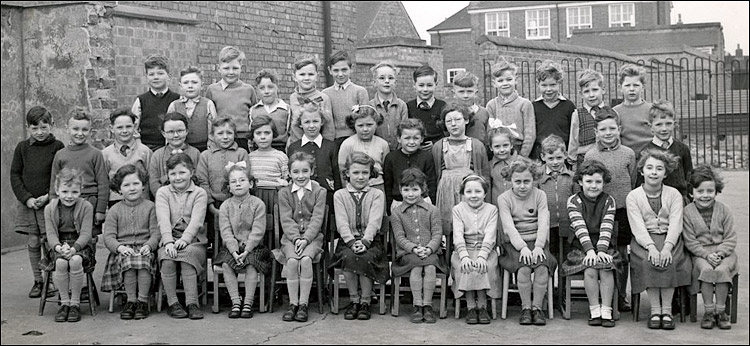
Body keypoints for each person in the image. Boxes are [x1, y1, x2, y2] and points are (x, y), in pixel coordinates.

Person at [626, 149, 692, 330]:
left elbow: (676, 224)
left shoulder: (674, 195)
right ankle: (655, 310)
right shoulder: (633, 196)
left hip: (671, 239)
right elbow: (637, 227)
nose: (654, 172)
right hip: (644, 240)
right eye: (649, 168)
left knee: (669, 261)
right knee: (649, 262)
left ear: (665, 173)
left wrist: (667, 248)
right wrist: (652, 247)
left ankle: (667, 311)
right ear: (641, 171)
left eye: (659, 169)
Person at [584, 108, 637, 311]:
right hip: (599, 210)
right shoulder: (591, 155)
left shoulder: (629, 154)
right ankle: (601, 296)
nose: (608, 133)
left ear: (619, 129)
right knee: (601, 252)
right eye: (603, 129)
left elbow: (631, 179)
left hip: (622, 211)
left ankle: (621, 295)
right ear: (596, 132)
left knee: (622, 255)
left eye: (612, 128)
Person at [10, 106, 65, 298]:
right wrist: (27, 198)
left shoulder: (58, 147)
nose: (39, 133)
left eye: (44, 127)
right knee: (33, 240)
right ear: (28, 128)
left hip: (49, 203)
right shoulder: (22, 148)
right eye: (34, 129)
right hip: (28, 204)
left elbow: (60, 175)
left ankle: (51, 281)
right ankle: (38, 281)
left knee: (49, 241)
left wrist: (49, 196)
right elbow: (15, 174)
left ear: (52, 125)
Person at [328, 152, 389, 321]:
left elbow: (375, 221)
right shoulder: (339, 195)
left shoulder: (377, 194)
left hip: (371, 241)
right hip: (347, 242)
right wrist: (351, 241)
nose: (360, 177)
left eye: (365, 172)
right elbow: (341, 222)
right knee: (348, 258)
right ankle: (354, 299)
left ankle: (366, 301)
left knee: (365, 258)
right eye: (356, 172)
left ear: (371, 174)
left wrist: (365, 241)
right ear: (347, 173)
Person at [497, 156, 557, 326]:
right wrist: (522, 247)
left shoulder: (540, 195)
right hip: (514, 244)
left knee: (542, 267)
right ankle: (525, 308)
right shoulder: (504, 198)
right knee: (523, 268)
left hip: (537, 241)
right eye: (518, 182)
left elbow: (544, 222)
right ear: (510, 181)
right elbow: (508, 227)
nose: (522, 186)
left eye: (526, 181)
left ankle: (537, 308)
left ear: (534, 179)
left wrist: (539, 246)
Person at [562, 160, 621, 327]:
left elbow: (607, 226)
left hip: (604, 244)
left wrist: (601, 250)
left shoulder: (609, 201)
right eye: (588, 181)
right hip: (580, 246)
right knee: (590, 268)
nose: (593, 186)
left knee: (605, 267)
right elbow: (579, 227)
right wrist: (590, 251)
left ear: (604, 182)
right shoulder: (574, 201)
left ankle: (606, 310)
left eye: (598, 182)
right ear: (580, 182)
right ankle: (594, 309)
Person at [50, 109, 109, 274]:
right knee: (68, 242)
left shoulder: (95, 154)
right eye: (75, 129)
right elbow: (54, 183)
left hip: (89, 203)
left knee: (88, 241)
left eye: (84, 130)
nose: (80, 133)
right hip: (65, 204)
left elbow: (103, 183)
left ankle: (85, 281)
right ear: (67, 129)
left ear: (90, 131)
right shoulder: (60, 155)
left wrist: (100, 210)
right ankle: (68, 279)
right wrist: (54, 207)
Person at [101, 164, 159, 320]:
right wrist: (119, 248)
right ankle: (131, 300)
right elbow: (109, 237)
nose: (132, 188)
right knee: (129, 262)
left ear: (143, 185)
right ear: (119, 189)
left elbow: (155, 232)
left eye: (136, 183)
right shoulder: (115, 210)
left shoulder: (150, 207)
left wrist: (149, 245)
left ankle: (142, 301)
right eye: (126, 185)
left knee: (143, 262)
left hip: (144, 248)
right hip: (122, 251)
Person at [213, 163, 271, 319]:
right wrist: (234, 250)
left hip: (253, 247)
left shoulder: (258, 204)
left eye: (242, 180)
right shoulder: (225, 206)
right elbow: (226, 232)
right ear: (229, 187)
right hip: (232, 248)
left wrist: (246, 251)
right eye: (233, 182)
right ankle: (235, 301)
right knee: (226, 263)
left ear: (250, 184)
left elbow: (258, 231)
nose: (238, 184)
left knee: (251, 264)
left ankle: (248, 302)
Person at [682, 166, 737, 330]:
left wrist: (720, 253)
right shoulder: (687, 212)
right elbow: (690, 240)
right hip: (700, 254)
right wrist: (706, 255)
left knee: (722, 270)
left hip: (724, 253)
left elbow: (731, 237)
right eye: (700, 191)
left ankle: (721, 312)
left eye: (710, 191)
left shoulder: (724, 210)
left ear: (716, 191)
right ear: (692, 193)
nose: (705, 195)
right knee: (705, 270)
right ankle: (708, 311)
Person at [274, 152, 327, 322]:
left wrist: (306, 239)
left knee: (305, 260)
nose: (301, 176)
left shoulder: (320, 191)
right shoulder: (284, 193)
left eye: (305, 171)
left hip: (313, 238)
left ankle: (303, 304)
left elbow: (317, 218)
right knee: (291, 261)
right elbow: (286, 219)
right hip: (291, 238)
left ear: (312, 171)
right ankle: (293, 303)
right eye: (296, 172)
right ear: (289, 173)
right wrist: (296, 239)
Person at [155, 153, 208, 320]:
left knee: (187, 257)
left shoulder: (199, 193)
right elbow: (163, 219)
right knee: (168, 258)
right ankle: (173, 303)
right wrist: (168, 242)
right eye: (173, 174)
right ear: (168, 175)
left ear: (191, 172)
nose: (177, 177)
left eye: (182, 173)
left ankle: (192, 302)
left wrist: (185, 240)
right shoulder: (163, 192)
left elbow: (197, 221)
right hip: (169, 238)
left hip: (194, 240)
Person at [390, 168, 444, 323]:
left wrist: (429, 248)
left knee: (430, 267)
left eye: (415, 189)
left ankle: (427, 305)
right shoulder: (397, 212)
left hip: (430, 251)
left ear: (423, 189)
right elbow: (399, 237)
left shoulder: (432, 210)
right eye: (406, 190)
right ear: (400, 190)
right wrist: (413, 248)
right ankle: (417, 305)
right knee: (416, 267)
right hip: (408, 253)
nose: (410, 194)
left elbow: (437, 233)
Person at [43, 168, 94, 323]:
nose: (69, 196)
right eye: (65, 191)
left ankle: (75, 304)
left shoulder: (86, 207)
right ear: (57, 190)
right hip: (59, 245)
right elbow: (51, 234)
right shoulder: (50, 209)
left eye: (74, 192)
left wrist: (74, 249)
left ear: (81, 191)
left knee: (75, 261)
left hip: (80, 245)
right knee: (60, 262)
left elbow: (86, 234)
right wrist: (58, 248)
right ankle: (64, 302)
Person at [432, 102, 490, 235]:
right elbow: (435, 175)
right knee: (448, 229)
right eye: (449, 121)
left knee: (469, 226)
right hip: (445, 191)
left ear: (466, 120)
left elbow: (484, 175)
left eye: (458, 120)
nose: (453, 124)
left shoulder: (476, 145)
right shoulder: (439, 146)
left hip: (469, 191)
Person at [451, 174, 500, 325]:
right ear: (463, 193)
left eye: (478, 192)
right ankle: (471, 306)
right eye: (469, 192)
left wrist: (482, 256)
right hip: (463, 250)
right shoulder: (458, 209)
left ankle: (483, 306)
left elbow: (490, 235)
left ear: (485, 193)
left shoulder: (492, 210)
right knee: (466, 267)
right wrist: (464, 256)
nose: (473, 196)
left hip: (486, 251)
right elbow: (458, 235)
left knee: (483, 267)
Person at [196, 117, 250, 249]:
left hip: (237, 204)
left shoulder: (241, 153)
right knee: (216, 240)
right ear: (212, 136)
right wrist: (210, 206)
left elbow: (244, 178)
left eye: (229, 133)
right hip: (214, 205)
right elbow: (203, 182)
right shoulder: (205, 156)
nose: (225, 137)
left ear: (235, 135)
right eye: (220, 133)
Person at [286, 104, 342, 208]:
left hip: (327, 196)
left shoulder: (331, 146)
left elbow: (336, 174)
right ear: (300, 124)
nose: (311, 126)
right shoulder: (294, 147)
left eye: (315, 121)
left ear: (322, 122)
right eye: (307, 122)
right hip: (301, 197)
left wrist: (337, 196)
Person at [205, 46, 258, 151]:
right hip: (221, 139)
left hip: (243, 140)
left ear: (241, 68)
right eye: (226, 68)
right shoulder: (212, 90)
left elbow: (254, 116)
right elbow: (209, 119)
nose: (231, 72)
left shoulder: (248, 90)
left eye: (235, 68)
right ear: (218, 68)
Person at [383, 119, 437, 212]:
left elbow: (431, 182)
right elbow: (388, 184)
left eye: (416, 138)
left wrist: (431, 202)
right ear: (399, 138)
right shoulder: (391, 157)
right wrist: (389, 206)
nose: (411, 142)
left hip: (422, 202)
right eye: (407, 138)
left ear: (422, 139)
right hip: (399, 203)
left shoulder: (426, 156)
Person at [643, 100, 693, 202]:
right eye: (659, 125)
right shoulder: (645, 151)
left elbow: (689, 175)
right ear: (650, 127)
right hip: (656, 199)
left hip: (680, 199)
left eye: (668, 124)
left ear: (674, 124)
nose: (664, 129)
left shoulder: (682, 149)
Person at [485, 57, 535, 157]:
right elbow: (490, 133)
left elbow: (530, 134)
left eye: (509, 79)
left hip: (518, 149)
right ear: (494, 83)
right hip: (499, 150)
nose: (505, 83)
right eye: (500, 81)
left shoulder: (525, 104)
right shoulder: (491, 105)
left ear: (515, 80)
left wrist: (522, 156)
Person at [101, 108, 152, 206]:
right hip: (116, 201)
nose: (124, 131)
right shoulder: (105, 154)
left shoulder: (145, 151)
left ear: (135, 127)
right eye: (120, 127)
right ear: (112, 128)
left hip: (141, 201)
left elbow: (150, 178)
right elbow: (105, 181)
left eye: (128, 126)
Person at [131, 54, 180, 151]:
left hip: (172, 146)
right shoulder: (141, 100)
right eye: (151, 74)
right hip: (147, 147)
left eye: (160, 73)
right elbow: (134, 127)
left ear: (169, 76)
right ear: (146, 77)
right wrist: (139, 146)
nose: (156, 77)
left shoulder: (177, 99)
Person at [530, 60, 577, 163]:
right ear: (538, 84)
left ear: (559, 83)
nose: (548, 89)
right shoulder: (533, 107)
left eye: (552, 85)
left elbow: (573, 134)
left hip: (561, 158)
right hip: (539, 159)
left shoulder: (569, 106)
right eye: (544, 85)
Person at [538, 135, 575, 260]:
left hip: (567, 225)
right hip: (546, 226)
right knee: (550, 258)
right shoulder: (538, 177)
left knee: (566, 258)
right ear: (543, 157)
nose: (555, 162)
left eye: (559, 158)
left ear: (565, 155)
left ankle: (563, 280)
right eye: (550, 158)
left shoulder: (572, 177)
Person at [322, 50, 369, 148]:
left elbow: (365, 118)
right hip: (333, 141)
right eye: (336, 70)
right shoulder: (325, 94)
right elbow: (326, 121)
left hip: (356, 139)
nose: (340, 74)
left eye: (344, 70)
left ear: (351, 68)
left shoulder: (360, 91)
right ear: (330, 70)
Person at [147, 112, 202, 197]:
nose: (176, 135)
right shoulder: (157, 155)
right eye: (170, 132)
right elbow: (154, 183)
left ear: (186, 131)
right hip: (165, 201)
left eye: (180, 131)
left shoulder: (195, 153)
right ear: (163, 133)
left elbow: (199, 180)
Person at [337, 105, 390, 189]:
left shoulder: (383, 144)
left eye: (369, 125)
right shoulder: (347, 144)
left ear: (376, 124)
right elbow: (342, 170)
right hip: (354, 187)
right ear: (354, 125)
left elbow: (386, 169)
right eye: (360, 125)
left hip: (377, 185)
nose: (365, 129)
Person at [167, 66, 217, 152]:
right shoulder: (174, 105)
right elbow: (168, 128)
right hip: (180, 148)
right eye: (186, 83)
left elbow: (213, 129)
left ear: (202, 86)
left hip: (203, 148)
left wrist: (211, 149)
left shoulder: (208, 104)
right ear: (180, 86)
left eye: (194, 82)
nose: (190, 86)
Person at [568, 69, 612, 166]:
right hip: (585, 162)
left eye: (595, 90)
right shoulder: (577, 114)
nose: (591, 95)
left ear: (603, 90)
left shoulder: (612, 113)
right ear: (581, 94)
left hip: (607, 160)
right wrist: (572, 161)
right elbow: (573, 142)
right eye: (586, 91)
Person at [288, 54, 335, 144]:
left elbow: (329, 129)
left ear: (317, 76)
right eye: (302, 74)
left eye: (310, 74)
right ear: (294, 77)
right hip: (297, 145)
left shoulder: (323, 98)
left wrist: (327, 147)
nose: (306, 78)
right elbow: (293, 126)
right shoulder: (293, 97)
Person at [247, 114, 289, 212]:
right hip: (254, 196)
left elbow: (286, 179)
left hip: (274, 197)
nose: (263, 137)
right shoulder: (249, 157)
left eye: (267, 133)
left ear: (273, 134)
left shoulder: (280, 156)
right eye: (258, 133)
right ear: (252, 136)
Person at [614, 64, 653, 158]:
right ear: (620, 88)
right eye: (627, 85)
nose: (631, 89)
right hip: (626, 159)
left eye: (636, 85)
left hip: (651, 159)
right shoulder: (615, 112)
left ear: (642, 87)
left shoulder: (652, 109)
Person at [249, 69, 290, 152]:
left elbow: (290, 134)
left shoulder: (286, 109)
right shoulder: (254, 110)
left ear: (277, 87)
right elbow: (251, 136)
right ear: (257, 89)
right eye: (262, 88)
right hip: (259, 150)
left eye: (270, 87)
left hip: (281, 149)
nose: (266, 91)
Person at [405, 65, 443, 150]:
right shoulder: (407, 107)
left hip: (437, 151)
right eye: (421, 85)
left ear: (436, 85)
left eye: (429, 85)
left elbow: (448, 133)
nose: (425, 89)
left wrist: (435, 143)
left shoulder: (443, 107)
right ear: (414, 85)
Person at [451, 71, 489, 144]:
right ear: (454, 93)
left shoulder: (484, 113)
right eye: (461, 92)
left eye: (469, 91)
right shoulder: (449, 113)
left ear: (476, 93)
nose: (465, 96)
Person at [488, 127, 518, 206]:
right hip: (498, 208)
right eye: (497, 146)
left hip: (518, 209)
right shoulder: (489, 166)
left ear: (511, 145)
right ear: (491, 147)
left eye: (505, 145)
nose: (502, 150)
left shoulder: (520, 163)